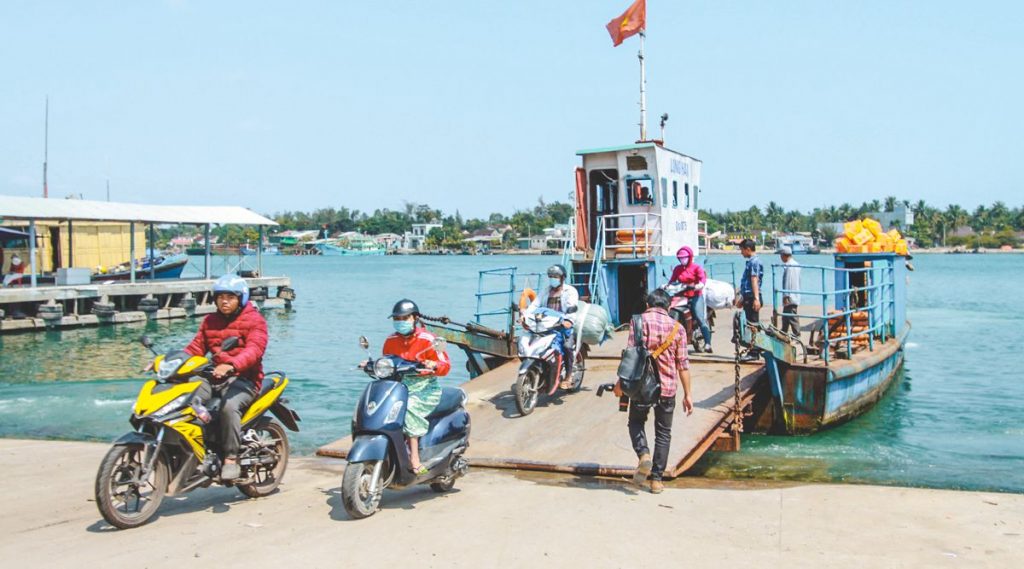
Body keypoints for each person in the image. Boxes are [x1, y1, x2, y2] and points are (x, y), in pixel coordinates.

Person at [184, 274, 269, 481]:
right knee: (186, 398)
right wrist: (171, 362)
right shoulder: (210, 321)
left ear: (241, 298)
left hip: (245, 379)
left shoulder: (255, 321)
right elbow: (196, 348)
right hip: (213, 376)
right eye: (220, 297)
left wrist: (231, 365)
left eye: (230, 297)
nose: (224, 301)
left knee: (228, 407)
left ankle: (231, 457)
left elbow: (254, 350)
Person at [627, 288, 693, 494]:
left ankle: (643, 455)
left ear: (648, 305)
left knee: (636, 422)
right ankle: (656, 480)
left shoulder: (637, 321)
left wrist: (620, 383)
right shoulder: (678, 328)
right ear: (669, 306)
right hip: (667, 387)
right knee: (663, 433)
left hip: (641, 386)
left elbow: (630, 355)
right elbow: (683, 364)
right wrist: (688, 394)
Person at [383, 299, 451, 475]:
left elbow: (445, 365)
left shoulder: (428, 339)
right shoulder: (391, 340)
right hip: (398, 385)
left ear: (415, 318)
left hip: (425, 386)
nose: (400, 322)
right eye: (397, 318)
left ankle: (414, 459)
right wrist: (370, 364)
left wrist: (433, 365)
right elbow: (386, 362)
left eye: (404, 318)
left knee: (410, 407)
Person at [523, 264, 579, 389]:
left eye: (556, 276)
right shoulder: (545, 291)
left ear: (562, 278)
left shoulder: (570, 291)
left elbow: (572, 308)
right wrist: (525, 316)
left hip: (562, 325)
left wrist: (568, 320)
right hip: (546, 325)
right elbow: (534, 306)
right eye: (551, 276)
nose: (553, 279)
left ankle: (568, 376)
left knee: (567, 346)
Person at [668, 245, 712, 352]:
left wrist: (695, 286)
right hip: (682, 295)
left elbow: (702, 281)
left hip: (696, 295)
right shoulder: (677, 269)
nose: (682, 259)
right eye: (680, 258)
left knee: (699, 317)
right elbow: (672, 281)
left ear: (690, 257)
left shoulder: (696, 268)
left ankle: (707, 343)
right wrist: (666, 286)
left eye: (684, 257)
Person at [736, 239, 763, 324]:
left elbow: (754, 280)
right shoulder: (751, 262)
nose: (741, 253)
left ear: (748, 249)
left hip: (752, 297)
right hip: (748, 297)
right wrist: (742, 298)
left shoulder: (755, 262)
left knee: (753, 325)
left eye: (742, 250)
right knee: (748, 324)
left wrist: (756, 299)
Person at [779, 246, 802, 337]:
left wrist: (786, 295)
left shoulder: (789, 266)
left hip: (790, 296)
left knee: (792, 315)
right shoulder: (796, 264)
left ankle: (797, 333)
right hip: (795, 293)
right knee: (786, 316)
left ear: (784, 255)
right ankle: (783, 332)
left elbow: (788, 281)